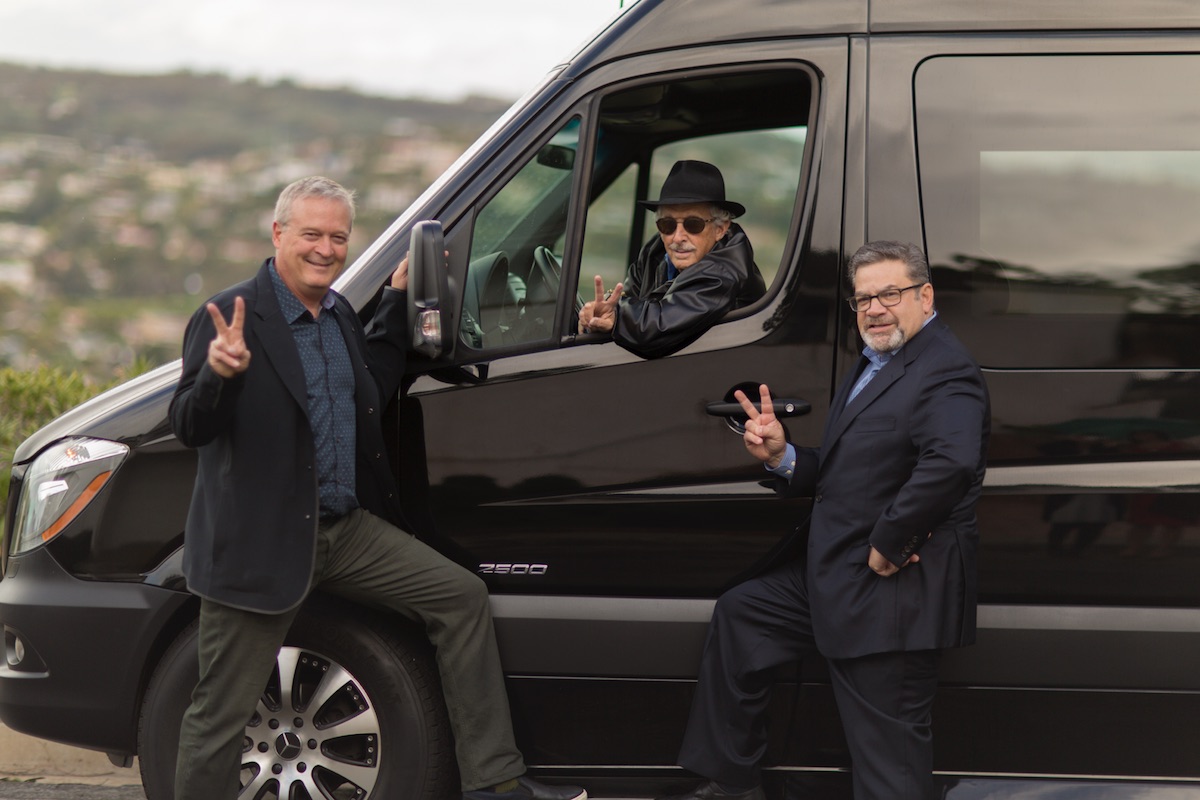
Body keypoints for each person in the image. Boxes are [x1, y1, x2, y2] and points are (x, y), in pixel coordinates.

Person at [169, 176, 585, 800]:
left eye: (338, 237)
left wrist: (394, 304)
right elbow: (189, 425)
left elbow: (370, 384)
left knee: (460, 596)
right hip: (262, 546)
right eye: (311, 234)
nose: (325, 248)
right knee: (219, 712)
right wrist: (220, 376)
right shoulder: (234, 317)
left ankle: (495, 785)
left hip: (344, 530)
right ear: (278, 234)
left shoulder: (337, 314)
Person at [659, 241, 990, 800]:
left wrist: (892, 539)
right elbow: (854, 472)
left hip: (891, 587)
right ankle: (733, 783)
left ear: (925, 295)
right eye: (863, 300)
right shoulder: (878, 360)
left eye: (890, 294)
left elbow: (952, 461)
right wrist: (784, 457)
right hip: (837, 575)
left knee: (889, 763)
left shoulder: (944, 368)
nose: (875, 309)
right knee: (745, 614)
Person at [578, 160, 765, 359]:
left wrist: (616, 318)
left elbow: (662, 321)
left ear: (720, 229)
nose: (677, 237)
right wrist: (599, 312)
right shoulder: (655, 253)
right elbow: (626, 297)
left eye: (693, 224)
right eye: (667, 224)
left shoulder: (723, 273)